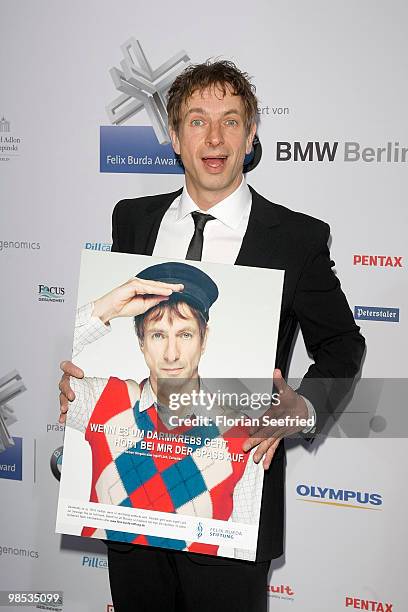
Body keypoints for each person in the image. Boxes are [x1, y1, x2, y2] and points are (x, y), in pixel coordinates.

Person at [59, 60, 365, 612]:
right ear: (174, 136)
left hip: (229, 505)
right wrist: (83, 389)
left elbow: (343, 345)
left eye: (231, 120)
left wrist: (302, 407)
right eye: (197, 121)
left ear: (251, 136)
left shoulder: (295, 238)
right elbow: (116, 348)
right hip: (132, 509)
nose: (215, 137)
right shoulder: (131, 220)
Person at [67, 261, 263, 560]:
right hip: (118, 578)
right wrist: (109, 308)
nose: (172, 354)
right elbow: (35, 358)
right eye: (158, 335)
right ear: (141, 342)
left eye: (184, 335)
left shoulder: (243, 433)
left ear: (204, 339)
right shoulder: (103, 399)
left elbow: (246, 546)